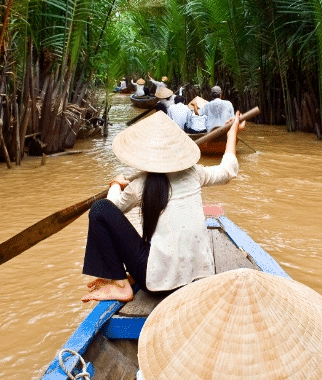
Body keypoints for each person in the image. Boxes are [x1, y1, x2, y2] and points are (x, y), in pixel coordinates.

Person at [80, 110, 245, 302]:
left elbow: (112, 207)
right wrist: (232, 134)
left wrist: (116, 185)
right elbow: (228, 170)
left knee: (99, 209)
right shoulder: (194, 173)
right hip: (200, 277)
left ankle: (120, 284)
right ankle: (132, 275)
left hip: (158, 285)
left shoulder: (140, 184)